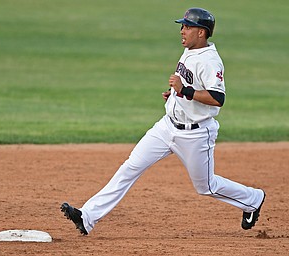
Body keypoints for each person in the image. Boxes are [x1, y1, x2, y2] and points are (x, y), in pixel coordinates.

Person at [61, 7, 265, 236]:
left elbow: (218, 98)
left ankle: (253, 199)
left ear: (202, 32)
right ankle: (87, 216)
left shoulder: (210, 61)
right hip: (167, 127)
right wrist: (175, 95)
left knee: (206, 187)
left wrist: (185, 91)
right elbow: (189, 87)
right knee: (130, 166)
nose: (182, 30)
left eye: (188, 26)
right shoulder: (190, 50)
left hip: (195, 135)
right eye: (182, 26)